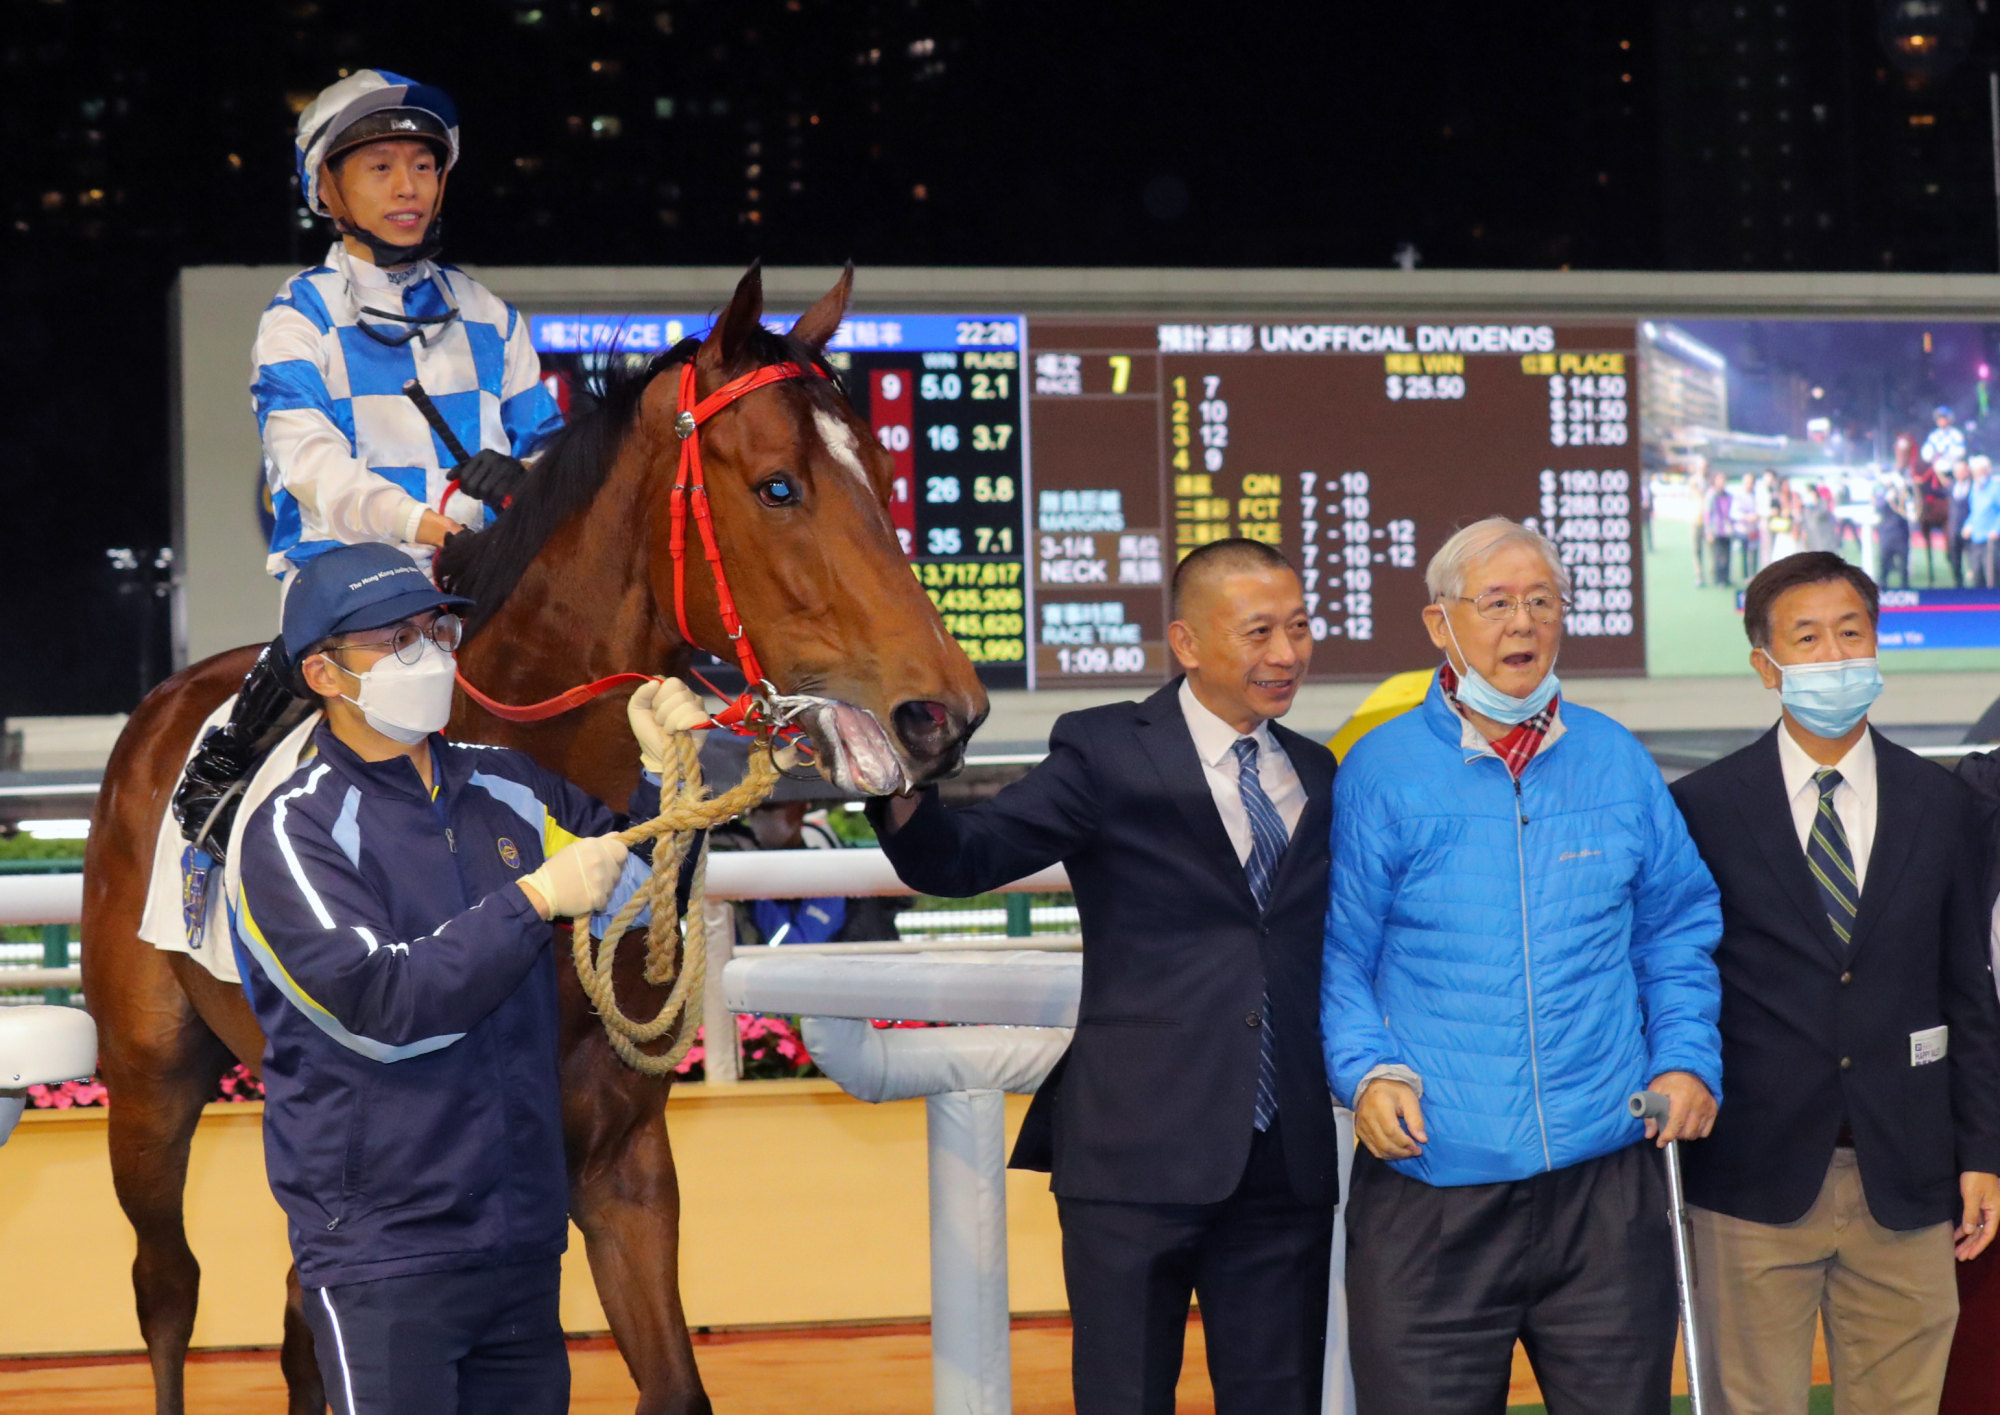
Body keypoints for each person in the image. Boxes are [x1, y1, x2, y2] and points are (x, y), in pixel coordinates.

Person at [868, 538, 1339, 1415]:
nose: (1287, 653)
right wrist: (903, 777)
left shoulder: (1315, 768)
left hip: (1284, 1163)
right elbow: (964, 857)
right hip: (1132, 1155)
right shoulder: (1106, 748)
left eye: (1301, 626)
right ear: (1188, 644)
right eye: (1261, 630)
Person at [231, 542, 693, 1414]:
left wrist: (670, 773)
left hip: (518, 1238)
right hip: (382, 1254)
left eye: (436, 628)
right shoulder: (291, 833)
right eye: (397, 638)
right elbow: (385, 1004)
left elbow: (641, 894)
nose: (432, 653)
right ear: (325, 672)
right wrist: (532, 900)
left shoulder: (506, 784)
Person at [1322, 516, 1723, 1415]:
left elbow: (1675, 929)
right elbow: (1338, 956)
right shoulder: (1379, 771)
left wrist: (1687, 1055)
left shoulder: (1615, 758)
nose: (1523, 624)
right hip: (1433, 1184)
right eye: (1496, 602)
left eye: (1543, 601)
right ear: (1440, 624)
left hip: (1607, 1180)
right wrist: (1365, 1071)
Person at [173, 68, 563, 860]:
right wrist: (429, 525)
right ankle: (221, 801)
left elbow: (554, 448)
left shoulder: (490, 314)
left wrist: (527, 483)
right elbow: (311, 466)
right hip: (348, 583)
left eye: (423, 166)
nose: (408, 187)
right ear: (327, 188)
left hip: (482, 583)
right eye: (380, 168)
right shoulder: (297, 316)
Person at [1670, 551, 2000, 1415]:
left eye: (1850, 632)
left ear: (1878, 642)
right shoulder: (1704, 806)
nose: (1833, 654)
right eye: (1807, 637)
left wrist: (1983, 1153)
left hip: (1911, 1177)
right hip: (1749, 1180)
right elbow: (1680, 976)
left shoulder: (1944, 802)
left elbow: (1968, 989)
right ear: (1764, 665)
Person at [1966, 456, 2000, 589]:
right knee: (1977, 576)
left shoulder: (1996, 488)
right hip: (1976, 540)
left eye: (1978, 472)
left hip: (1991, 542)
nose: (1976, 475)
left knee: (1992, 578)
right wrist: (1968, 525)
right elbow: (1974, 512)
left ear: (1986, 471)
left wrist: (1996, 529)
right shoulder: (1975, 489)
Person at [1876, 474, 1913, 590]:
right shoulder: (1883, 494)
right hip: (1887, 536)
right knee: (1884, 568)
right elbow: (1879, 508)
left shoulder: (1905, 495)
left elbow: (1910, 510)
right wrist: (1888, 499)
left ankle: (1905, 590)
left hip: (1901, 536)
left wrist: (1903, 495)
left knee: (1903, 569)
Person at [1948, 460, 1975, 587]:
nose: (1959, 473)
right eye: (1957, 471)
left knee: (1973, 560)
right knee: (1955, 560)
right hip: (1954, 530)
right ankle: (1958, 585)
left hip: (1970, 530)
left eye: (1962, 470)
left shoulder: (1974, 486)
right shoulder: (1951, 486)